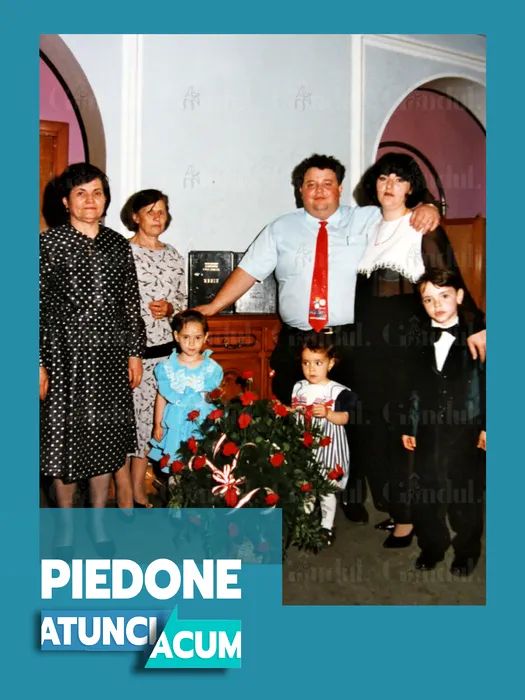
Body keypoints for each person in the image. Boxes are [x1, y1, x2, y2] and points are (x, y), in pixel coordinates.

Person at [193, 153, 440, 522]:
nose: (319, 191)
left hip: (349, 342)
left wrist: (430, 206)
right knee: (296, 418)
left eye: (327, 184)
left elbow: (404, 206)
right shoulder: (280, 228)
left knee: (353, 420)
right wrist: (213, 307)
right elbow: (249, 271)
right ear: (300, 190)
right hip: (297, 342)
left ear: (340, 189)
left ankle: (351, 495)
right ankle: (300, 493)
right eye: (311, 184)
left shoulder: (367, 218)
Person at [350, 152, 486, 543]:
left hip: (405, 345)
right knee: (376, 429)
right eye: (383, 178)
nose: (389, 185)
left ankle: (408, 519)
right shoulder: (369, 226)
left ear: (412, 187)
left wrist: (476, 325)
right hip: (368, 346)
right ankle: (397, 507)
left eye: (399, 179)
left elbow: (450, 278)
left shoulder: (422, 226)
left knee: (403, 431)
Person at [40, 163, 146, 508]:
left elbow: (130, 303)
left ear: (106, 200)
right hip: (63, 359)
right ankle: (65, 527)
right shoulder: (48, 244)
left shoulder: (117, 244)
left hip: (110, 359)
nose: (90, 200)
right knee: (65, 445)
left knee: (105, 442)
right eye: (81, 193)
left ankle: (98, 523)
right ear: (66, 202)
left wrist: (134, 353)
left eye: (97, 193)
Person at [401, 268, 486, 576]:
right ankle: (432, 544)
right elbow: (412, 389)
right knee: (426, 489)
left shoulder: (478, 338)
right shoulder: (418, 339)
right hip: (428, 427)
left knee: (464, 492)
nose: (437, 305)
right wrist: (410, 427)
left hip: (466, 428)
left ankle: (467, 550)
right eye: (428, 299)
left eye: (444, 296)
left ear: (460, 296)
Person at [114, 189, 187, 508]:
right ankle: (123, 490)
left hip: (164, 355)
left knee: (149, 423)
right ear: (135, 217)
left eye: (162, 211)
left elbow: (184, 300)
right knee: (124, 423)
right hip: (129, 355)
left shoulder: (173, 255)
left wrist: (171, 308)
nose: (157, 217)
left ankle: (139, 488)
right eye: (150, 211)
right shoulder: (121, 252)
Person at [291, 338, 357, 545]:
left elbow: (345, 418)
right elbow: (296, 413)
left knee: (326, 489)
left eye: (318, 363)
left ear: (330, 363)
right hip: (305, 446)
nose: (311, 369)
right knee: (306, 486)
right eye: (306, 363)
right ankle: (305, 521)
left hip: (329, 448)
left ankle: (327, 526)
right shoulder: (299, 387)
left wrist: (329, 413)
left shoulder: (337, 391)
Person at [148, 310, 223, 469]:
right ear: (176, 336)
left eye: (197, 338)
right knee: (177, 462)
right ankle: (175, 484)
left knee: (202, 464)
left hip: (202, 423)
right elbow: (161, 396)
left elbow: (214, 397)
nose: (191, 343)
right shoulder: (167, 368)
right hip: (176, 423)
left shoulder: (211, 368)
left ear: (206, 337)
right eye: (186, 337)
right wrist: (157, 424)